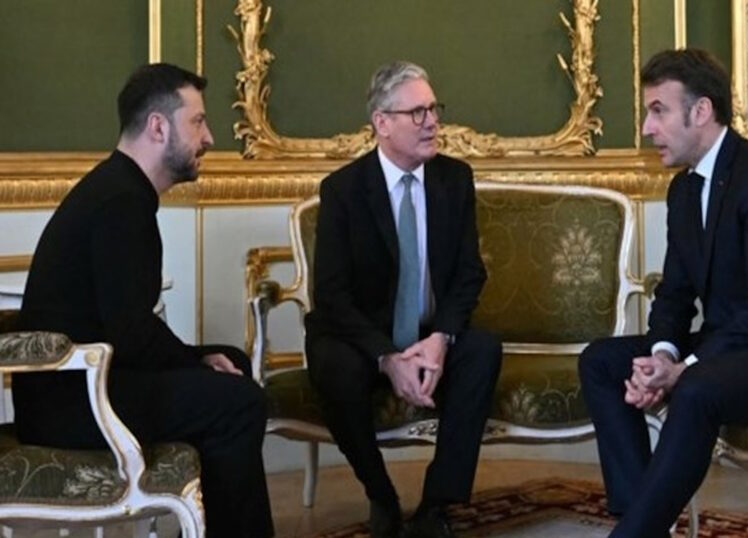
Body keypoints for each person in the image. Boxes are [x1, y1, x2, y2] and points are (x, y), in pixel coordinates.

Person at [579, 48, 748, 537]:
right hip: (731, 349)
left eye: (658, 111)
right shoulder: (683, 190)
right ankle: (640, 520)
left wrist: (685, 368)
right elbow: (674, 293)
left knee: (696, 387)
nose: (646, 128)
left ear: (701, 111)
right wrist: (661, 356)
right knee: (602, 361)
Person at [13, 63, 274, 538]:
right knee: (240, 402)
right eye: (197, 121)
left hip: (81, 385)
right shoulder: (121, 202)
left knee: (231, 364)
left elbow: (127, 328)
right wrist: (195, 361)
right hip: (76, 402)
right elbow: (131, 332)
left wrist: (199, 358)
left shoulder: (118, 189)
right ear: (158, 127)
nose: (210, 138)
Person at [304, 61, 502, 538]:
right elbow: (331, 295)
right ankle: (381, 496)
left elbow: (469, 273)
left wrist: (441, 338)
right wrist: (387, 357)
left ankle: (437, 505)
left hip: (430, 331)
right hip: (361, 338)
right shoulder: (343, 190)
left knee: (482, 350)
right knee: (333, 366)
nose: (432, 122)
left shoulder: (454, 179)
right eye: (417, 113)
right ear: (382, 123)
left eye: (434, 109)